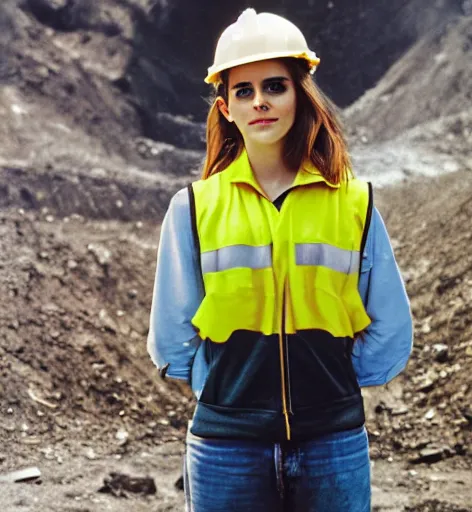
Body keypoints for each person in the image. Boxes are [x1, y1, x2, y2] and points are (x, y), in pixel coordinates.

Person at [147, 8, 413, 512]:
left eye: (275, 86)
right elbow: (171, 338)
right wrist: (227, 391)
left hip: (333, 444)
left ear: (300, 95)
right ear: (225, 108)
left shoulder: (354, 202)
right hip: (226, 447)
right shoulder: (195, 207)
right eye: (244, 91)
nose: (261, 102)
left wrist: (328, 383)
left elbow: (391, 329)